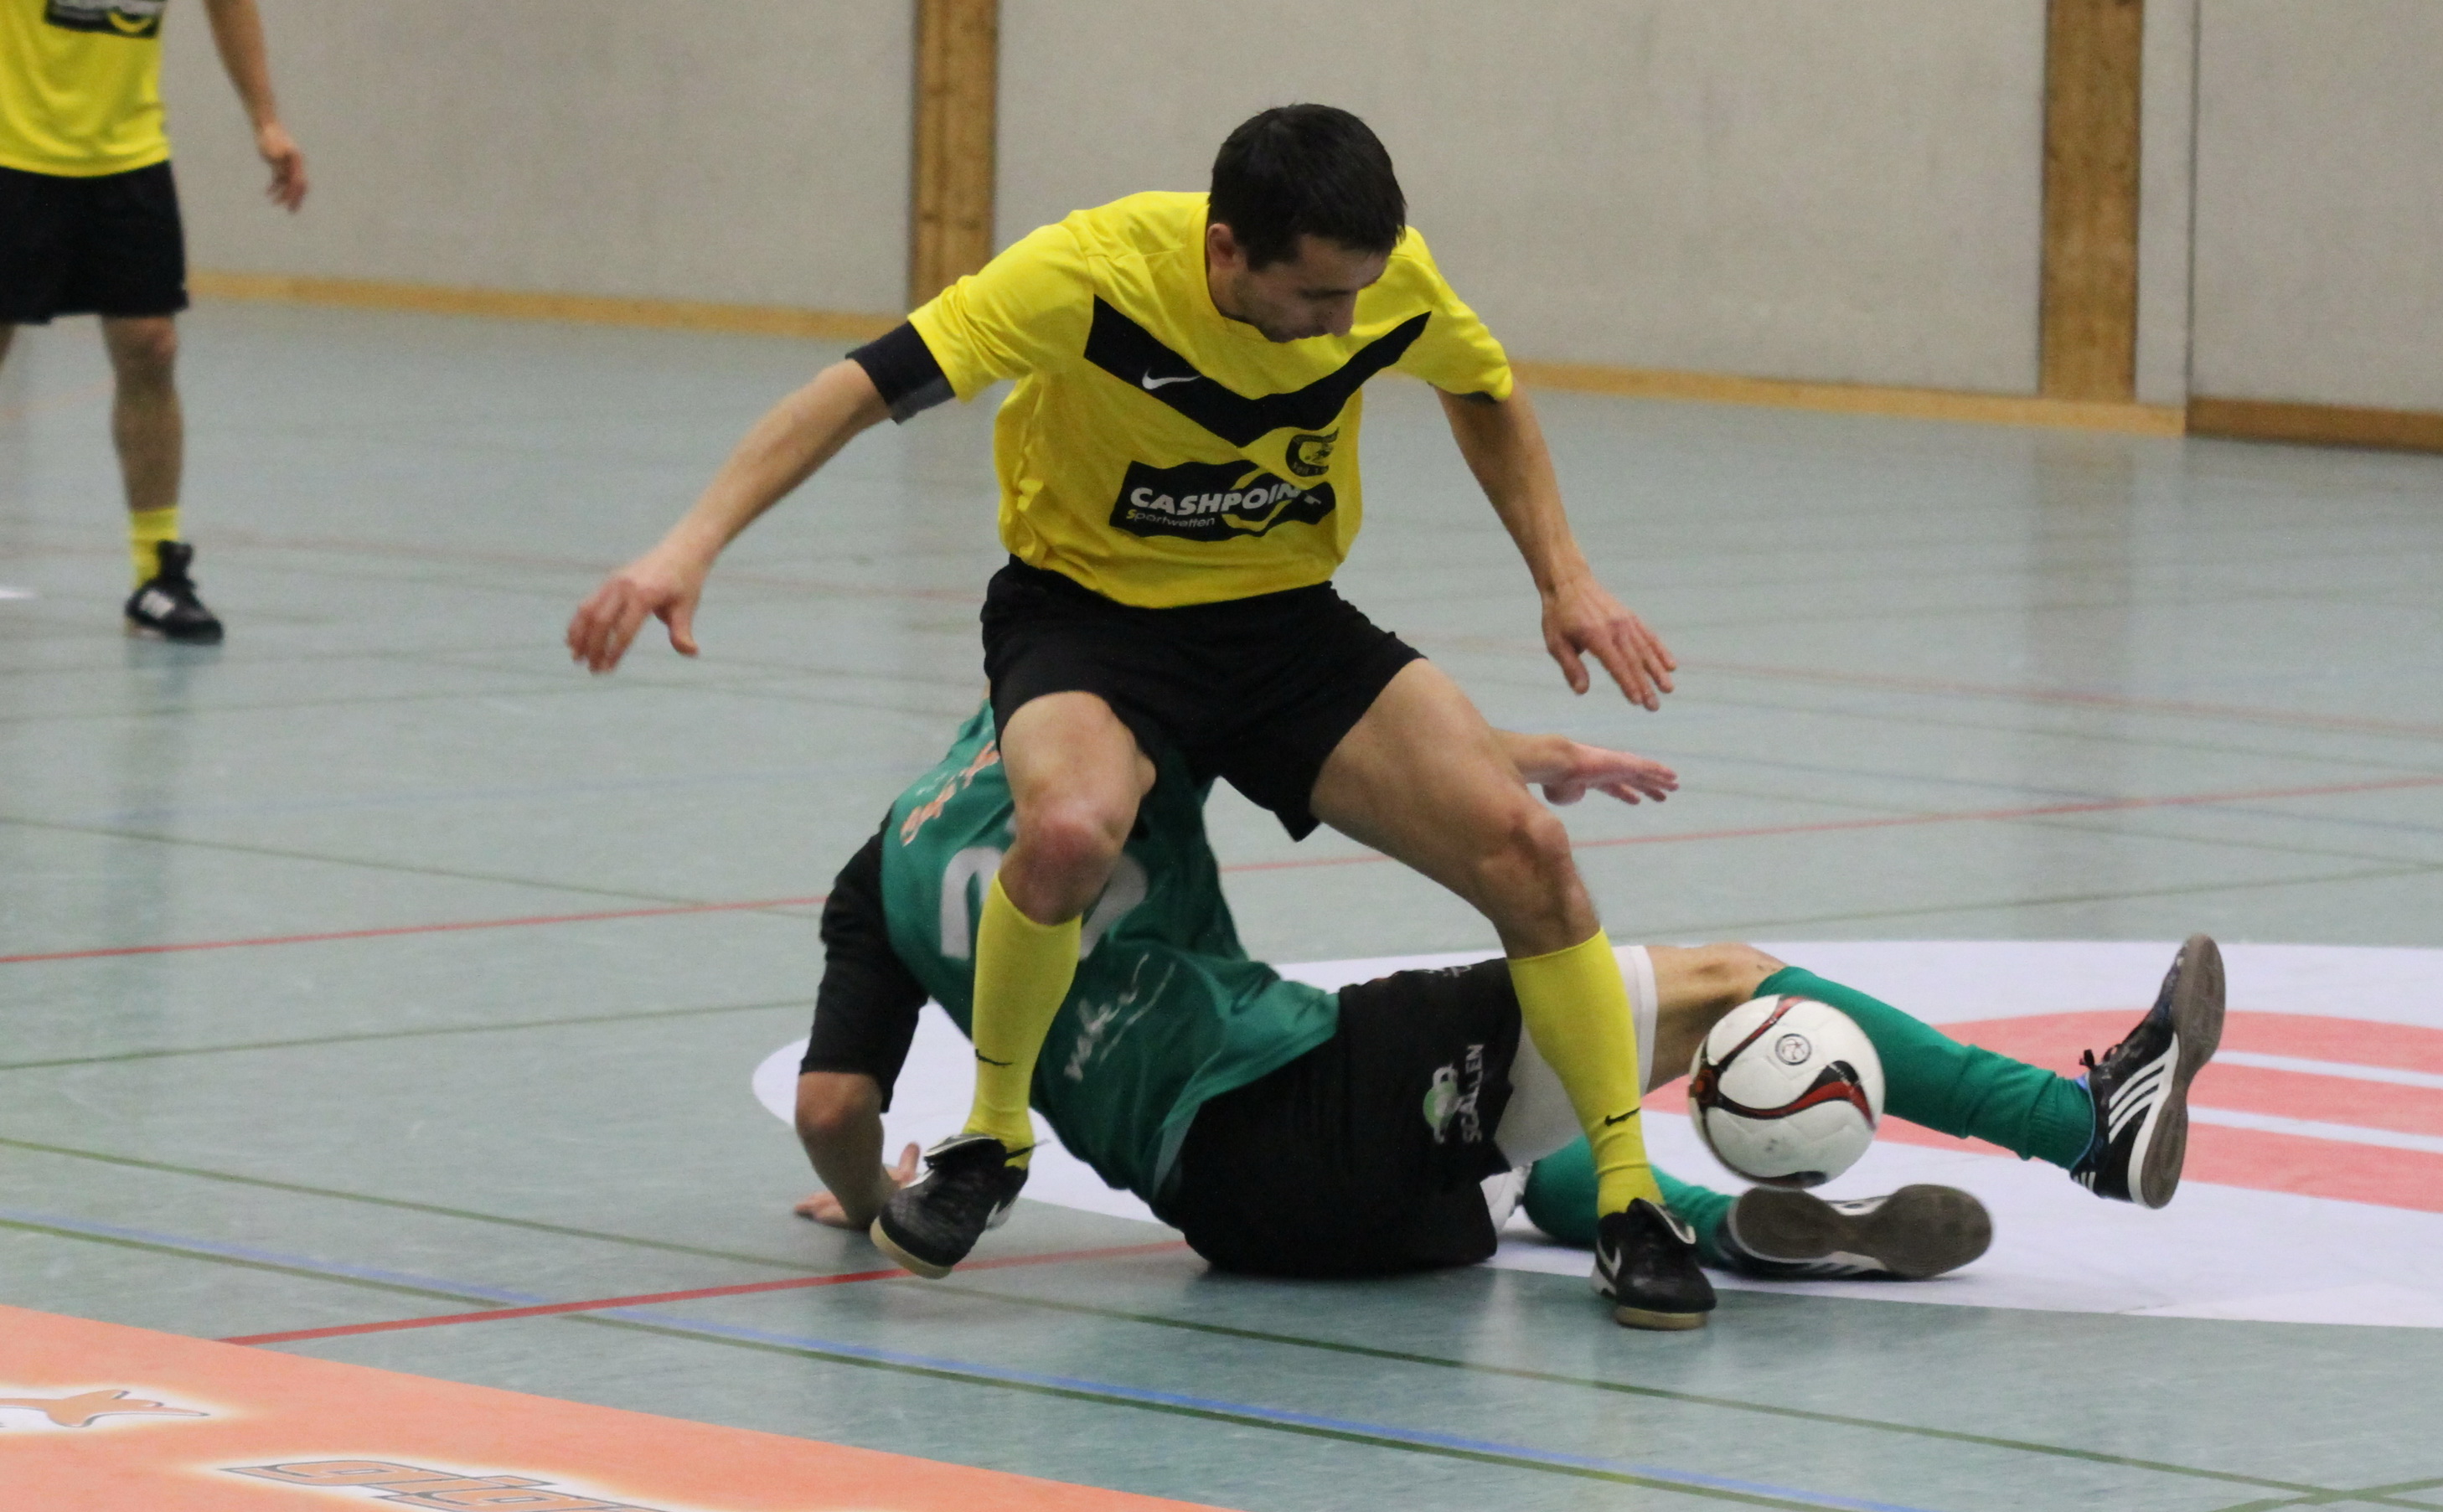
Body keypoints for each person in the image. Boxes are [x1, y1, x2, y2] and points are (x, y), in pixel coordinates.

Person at [571, 106, 1693, 1321]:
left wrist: (1564, 577)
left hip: (1280, 619)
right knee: (1067, 830)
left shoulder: (1387, 282)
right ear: (1226, 253)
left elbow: (1483, 388)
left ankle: (1630, 1198)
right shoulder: (1084, 278)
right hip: (1089, 617)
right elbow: (855, 391)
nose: (1345, 326)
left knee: (1528, 849)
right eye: (1317, 296)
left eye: (1360, 295)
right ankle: (990, 1139)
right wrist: (687, 546)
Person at [786, 701, 2227, 1326]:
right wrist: (1519, 760)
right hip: (1300, 1101)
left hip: (1250, 1223)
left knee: (1503, 1130)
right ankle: (2087, 1126)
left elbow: (834, 1106)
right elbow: (1354, 734)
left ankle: (1718, 1226)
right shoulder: (1128, 717)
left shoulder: (882, 864)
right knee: (1716, 984)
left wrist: (868, 1202)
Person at [0, 0, 308, 643]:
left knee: (152, 345)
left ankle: (156, 578)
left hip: (127, 155)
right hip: (11, 152)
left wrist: (266, 119)